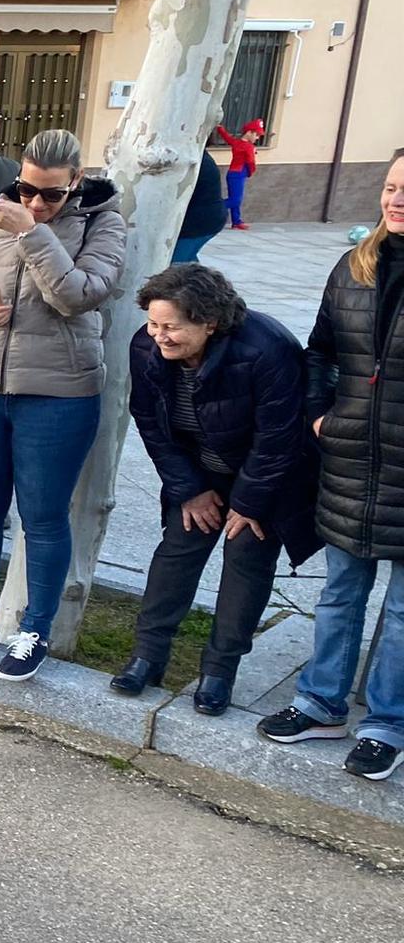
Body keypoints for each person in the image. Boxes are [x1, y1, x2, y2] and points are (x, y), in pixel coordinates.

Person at [0, 129, 127, 681]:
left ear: (76, 183)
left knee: (42, 518)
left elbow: (79, 294)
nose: (36, 203)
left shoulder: (101, 221)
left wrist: (33, 233)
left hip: (58, 393)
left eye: (51, 195)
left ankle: (34, 627)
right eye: (26, 190)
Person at [112, 265, 320, 711]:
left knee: (246, 560)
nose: (159, 336)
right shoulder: (146, 347)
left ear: (209, 322)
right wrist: (189, 489)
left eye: (172, 327)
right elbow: (150, 423)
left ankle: (219, 672)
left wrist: (247, 503)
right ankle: (147, 657)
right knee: (177, 552)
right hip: (199, 472)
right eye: (153, 323)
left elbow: (279, 436)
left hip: (265, 477)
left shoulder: (266, 349)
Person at [258, 153, 404, 780]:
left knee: (402, 609)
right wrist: (320, 412)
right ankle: (320, 703)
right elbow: (319, 349)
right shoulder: (355, 265)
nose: (395, 200)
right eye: (392, 186)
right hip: (350, 458)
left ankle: (386, 723)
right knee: (343, 590)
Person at [172, 148, 227, 264]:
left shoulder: (190, 159)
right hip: (208, 218)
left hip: (199, 223)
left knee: (177, 264)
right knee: (187, 260)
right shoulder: (196, 154)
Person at [215, 119, 262, 230]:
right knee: (235, 200)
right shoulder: (249, 147)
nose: (258, 137)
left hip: (232, 173)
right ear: (249, 132)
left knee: (234, 198)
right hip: (239, 174)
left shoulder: (237, 142)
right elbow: (251, 162)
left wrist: (220, 128)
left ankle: (236, 221)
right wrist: (251, 172)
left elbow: (227, 137)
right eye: (257, 134)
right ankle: (213, 209)